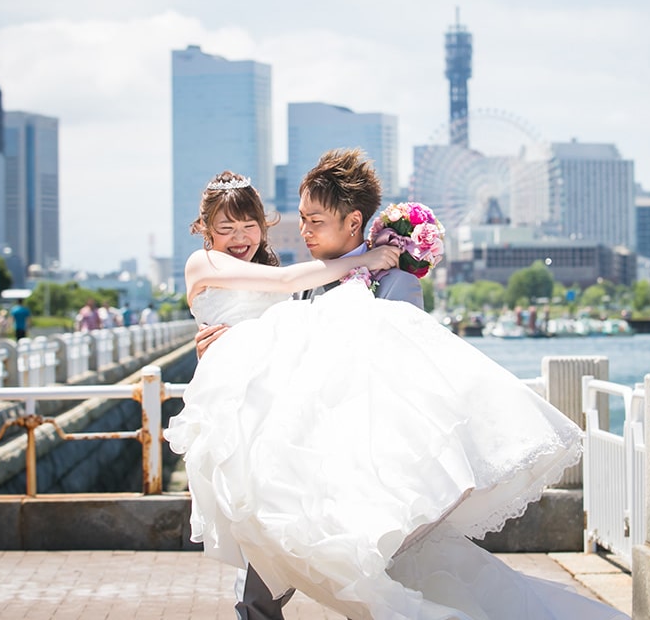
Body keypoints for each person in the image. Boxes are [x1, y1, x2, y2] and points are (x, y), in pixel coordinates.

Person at [166, 162, 624, 620]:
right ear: (206, 228)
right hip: (294, 437)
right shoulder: (298, 278)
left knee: (362, 567)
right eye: (300, 219)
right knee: (282, 538)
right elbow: (272, 327)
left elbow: (407, 369)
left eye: (314, 221)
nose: (302, 230)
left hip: (364, 447)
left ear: (352, 222)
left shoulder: (392, 281)